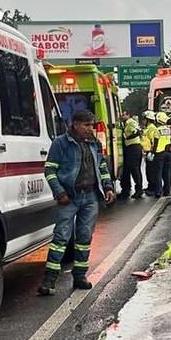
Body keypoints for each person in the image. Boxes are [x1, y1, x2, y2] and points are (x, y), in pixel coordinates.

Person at [39, 109, 115, 295]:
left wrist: (108, 186)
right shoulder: (60, 143)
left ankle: (80, 276)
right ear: (75, 124)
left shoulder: (94, 143)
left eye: (91, 125)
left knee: (84, 238)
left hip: (90, 197)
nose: (90, 128)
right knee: (61, 238)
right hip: (69, 198)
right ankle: (49, 281)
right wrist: (59, 192)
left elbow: (102, 166)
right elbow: (49, 170)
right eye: (86, 125)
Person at [117, 110, 144, 200]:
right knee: (128, 169)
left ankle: (139, 189)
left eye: (123, 114)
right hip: (130, 148)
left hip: (133, 147)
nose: (121, 116)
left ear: (128, 115)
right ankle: (127, 189)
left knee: (134, 169)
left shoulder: (131, 122)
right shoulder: (125, 123)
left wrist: (127, 137)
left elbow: (137, 132)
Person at [142, 110, 162, 197]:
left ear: (148, 119)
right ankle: (150, 187)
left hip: (151, 152)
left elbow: (154, 140)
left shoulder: (151, 128)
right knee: (148, 171)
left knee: (151, 172)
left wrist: (152, 152)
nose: (143, 121)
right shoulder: (148, 128)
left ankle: (153, 189)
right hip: (147, 151)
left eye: (144, 119)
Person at [155, 111, 171, 197]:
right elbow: (170, 141)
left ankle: (158, 191)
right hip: (168, 153)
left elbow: (155, 143)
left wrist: (152, 152)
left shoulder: (157, 130)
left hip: (159, 153)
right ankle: (167, 190)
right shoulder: (168, 129)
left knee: (158, 174)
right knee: (167, 173)